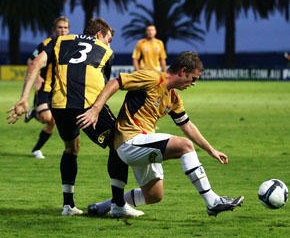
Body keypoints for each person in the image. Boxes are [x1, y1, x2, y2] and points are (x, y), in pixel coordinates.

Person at [78, 51, 244, 217]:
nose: (193, 84)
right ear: (182, 71)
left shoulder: (173, 99)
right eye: (192, 78)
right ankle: (213, 201)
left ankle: (105, 207)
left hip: (144, 143)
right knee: (185, 146)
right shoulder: (153, 78)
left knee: (153, 195)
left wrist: (211, 150)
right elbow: (115, 82)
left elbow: (187, 126)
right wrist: (95, 109)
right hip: (129, 140)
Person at [7, 18, 143, 217]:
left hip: (60, 106)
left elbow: (35, 63)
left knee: (71, 148)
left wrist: (24, 98)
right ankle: (118, 204)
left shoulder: (60, 41)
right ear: (99, 35)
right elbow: (104, 84)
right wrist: (97, 109)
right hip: (87, 106)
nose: (109, 44)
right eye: (109, 39)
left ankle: (68, 206)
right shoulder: (106, 51)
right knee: (118, 143)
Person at [25, 16, 70, 159]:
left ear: (68, 29)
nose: (63, 30)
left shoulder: (71, 45)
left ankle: (36, 149)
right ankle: (35, 113)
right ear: (54, 29)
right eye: (60, 27)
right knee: (47, 118)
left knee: (52, 122)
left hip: (60, 89)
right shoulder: (46, 44)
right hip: (45, 86)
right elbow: (31, 60)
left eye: (65, 28)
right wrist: (37, 77)